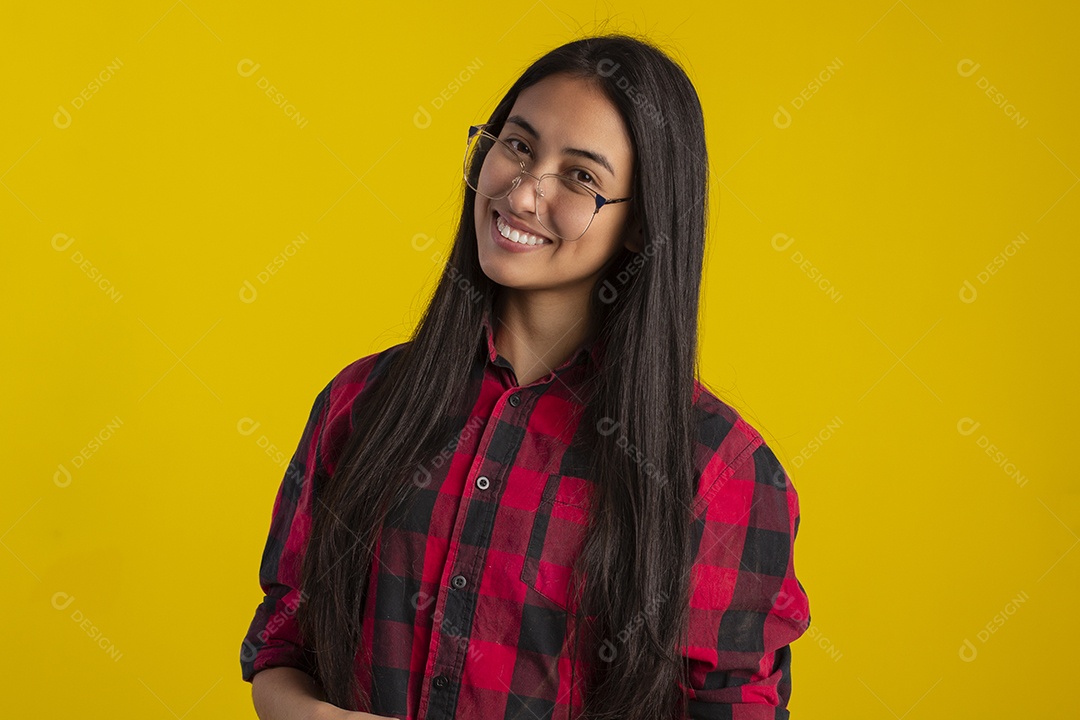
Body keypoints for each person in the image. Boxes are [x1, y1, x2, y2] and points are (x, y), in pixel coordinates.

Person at [240, 32, 810, 720]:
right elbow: (284, 637)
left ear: (641, 227)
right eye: (516, 144)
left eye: (581, 177)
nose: (523, 191)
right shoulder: (362, 401)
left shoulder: (720, 471)